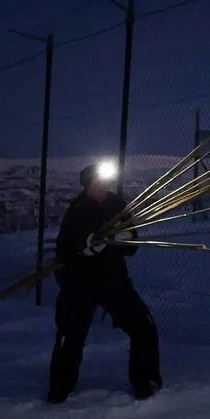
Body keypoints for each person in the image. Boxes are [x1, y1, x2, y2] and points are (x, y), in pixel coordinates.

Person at [47, 161, 163, 404]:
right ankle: (61, 386)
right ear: (88, 184)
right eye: (98, 182)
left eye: (106, 182)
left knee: (143, 325)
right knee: (71, 334)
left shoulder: (118, 207)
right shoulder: (76, 210)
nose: (103, 186)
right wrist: (85, 250)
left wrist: (126, 240)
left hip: (112, 280)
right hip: (79, 282)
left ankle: (144, 379)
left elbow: (132, 248)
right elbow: (64, 251)